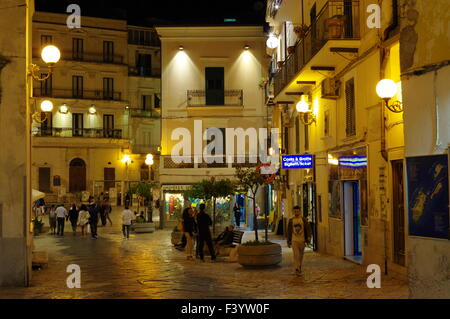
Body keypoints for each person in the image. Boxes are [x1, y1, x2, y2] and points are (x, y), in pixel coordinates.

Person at [287, 205, 312, 276]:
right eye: (295, 211)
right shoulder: (291, 220)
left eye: (297, 211)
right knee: (296, 255)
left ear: (300, 211)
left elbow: (308, 228)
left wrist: (309, 237)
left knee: (301, 255)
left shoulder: (303, 219)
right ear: (293, 211)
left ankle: (299, 266)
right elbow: (289, 231)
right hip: (294, 240)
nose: (296, 212)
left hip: (302, 240)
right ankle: (297, 268)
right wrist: (288, 241)